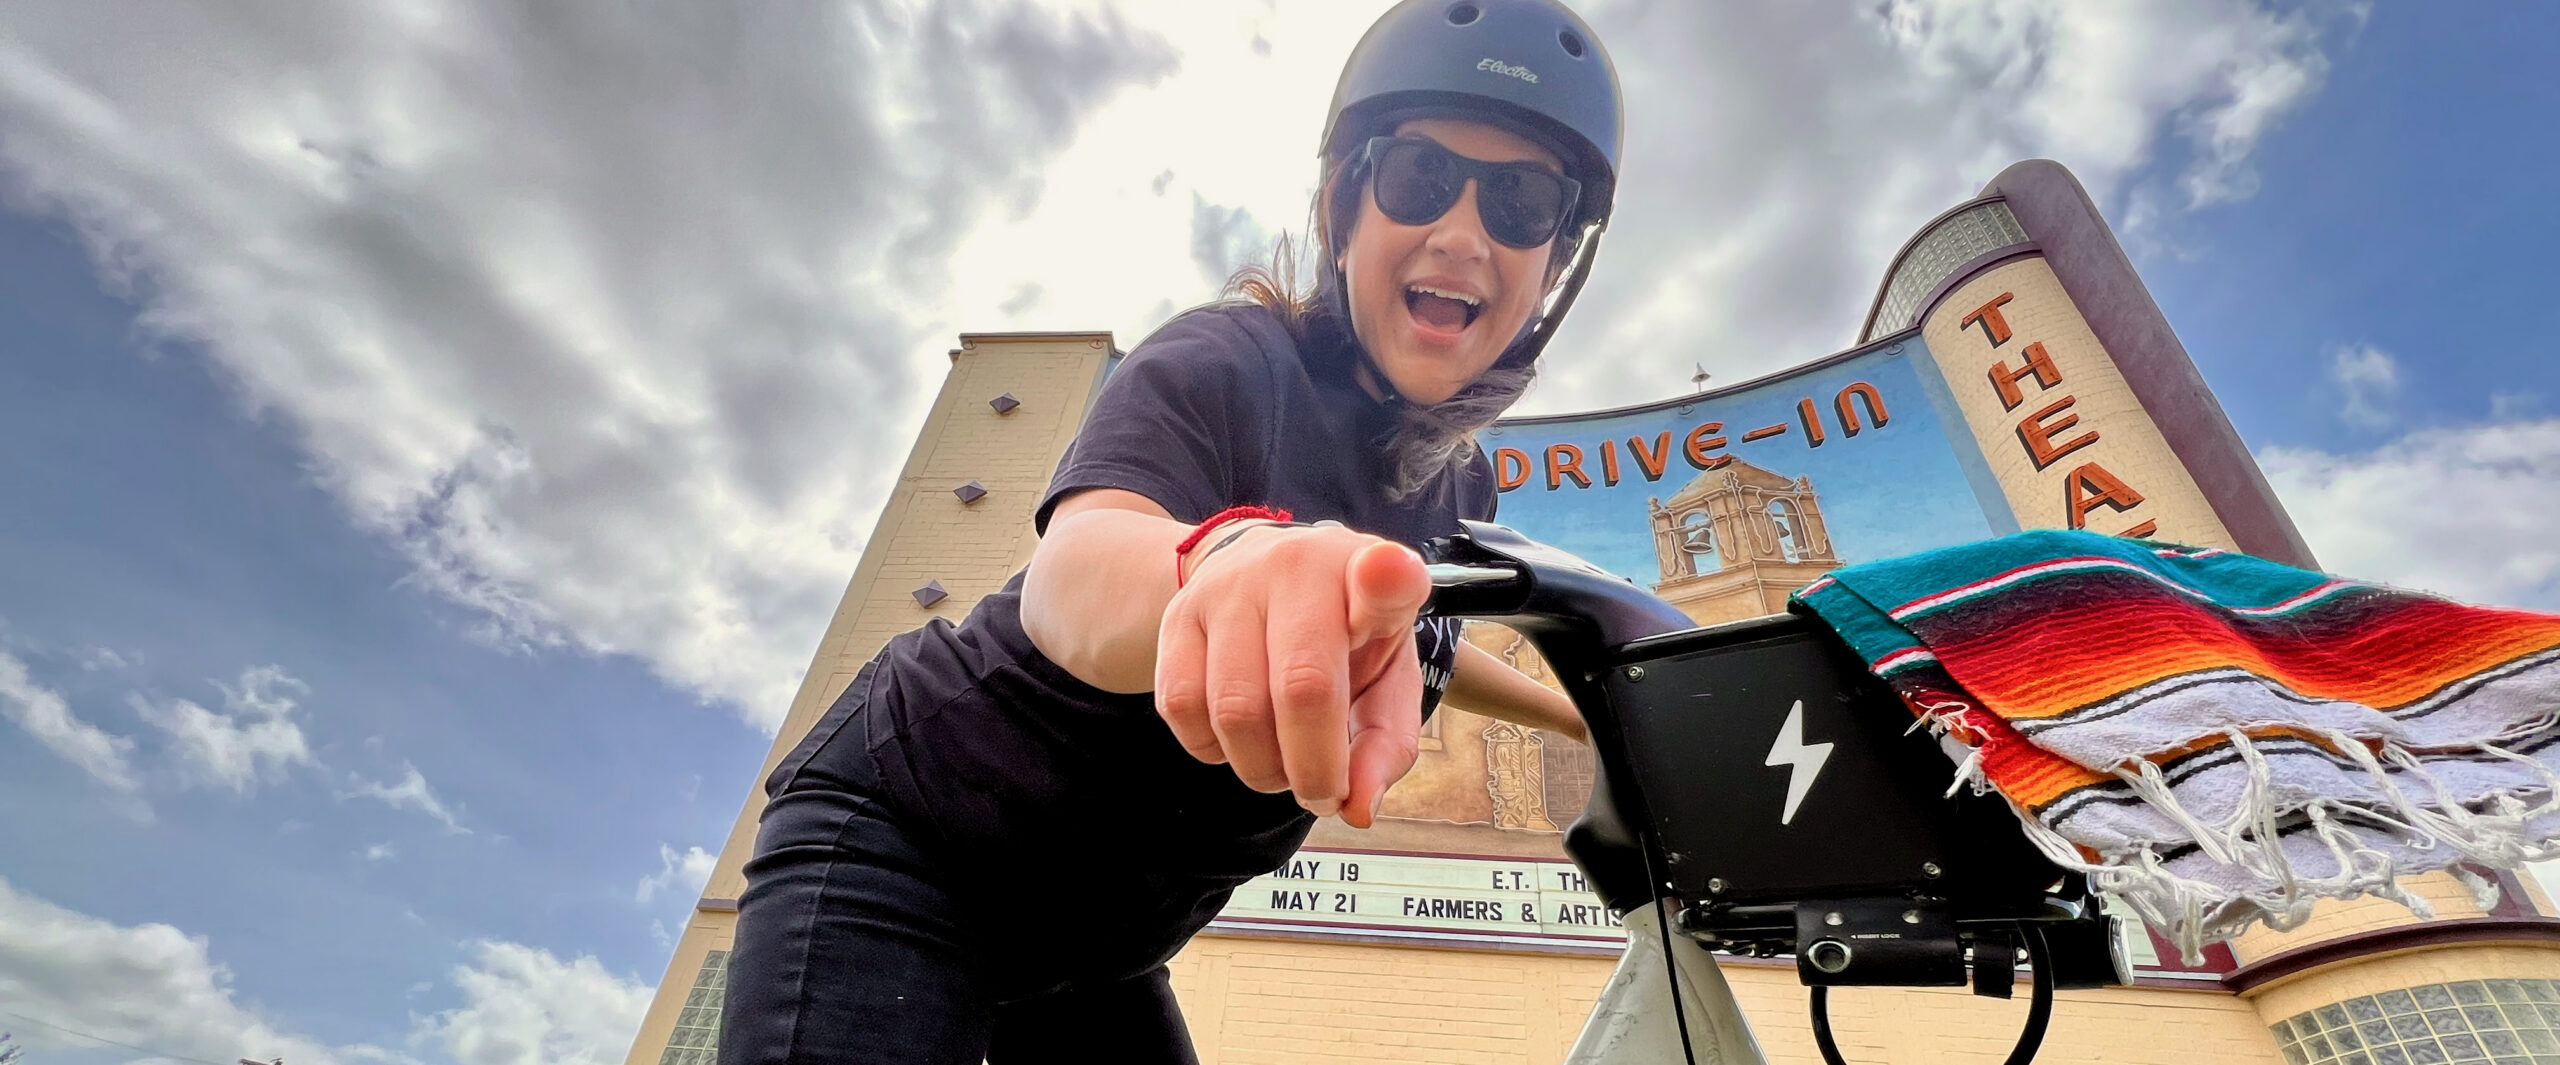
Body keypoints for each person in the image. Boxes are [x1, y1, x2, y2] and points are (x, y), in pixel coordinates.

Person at [719, 1, 1626, 1060]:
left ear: (1555, 259)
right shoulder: (1227, 359)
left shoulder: (1456, 482)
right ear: (1344, 207)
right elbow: (1078, 570)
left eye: (1521, 200)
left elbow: (1416, 634)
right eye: (1420, 178)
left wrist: (1589, 717)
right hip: (913, 837)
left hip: (1103, 939)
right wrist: (1224, 558)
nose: (1464, 233)